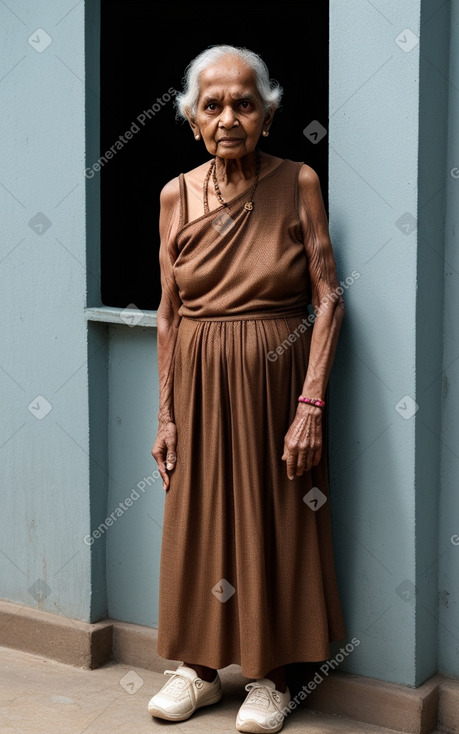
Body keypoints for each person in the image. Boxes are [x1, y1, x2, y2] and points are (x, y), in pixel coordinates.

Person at [148, 44, 347, 733]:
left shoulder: (297, 182)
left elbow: (328, 296)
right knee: (198, 518)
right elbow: (169, 313)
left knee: (274, 516)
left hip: (276, 382)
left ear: (266, 114)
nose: (228, 117)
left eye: (243, 103)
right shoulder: (176, 194)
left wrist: (310, 403)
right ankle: (198, 671)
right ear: (192, 119)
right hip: (199, 382)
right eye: (213, 105)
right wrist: (166, 414)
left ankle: (270, 677)